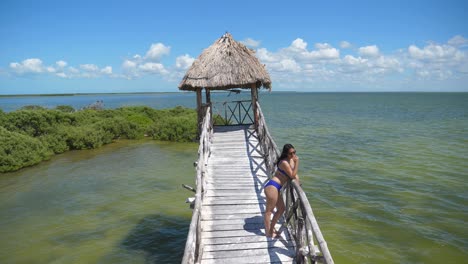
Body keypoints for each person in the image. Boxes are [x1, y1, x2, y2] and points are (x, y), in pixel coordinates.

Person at [263, 144, 300, 238]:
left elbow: (294, 175)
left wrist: (299, 184)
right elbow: (292, 175)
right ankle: (269, 232)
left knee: (282, 209)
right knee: (269, 211)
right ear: (286, 154)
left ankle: (272, 228)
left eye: (294, 152)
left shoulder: (290, 160)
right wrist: (297, 163)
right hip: (272, 186)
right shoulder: (284, 162)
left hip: (276, 187)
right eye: (291, 153)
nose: (293, 155)